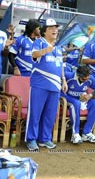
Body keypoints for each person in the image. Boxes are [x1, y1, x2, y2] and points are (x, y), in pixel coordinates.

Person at [25, 18, 68, 151]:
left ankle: (44, 139)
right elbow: (34, 55)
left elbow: (60, 65)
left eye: (56, 27)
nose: (55, 30)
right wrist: (45, 51)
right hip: (40, 84)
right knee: (35, 113)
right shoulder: (39, 42)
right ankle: (31, 139)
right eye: (51, 28)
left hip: (55, 86)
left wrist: (64, 80)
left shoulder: (59, 48)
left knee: (50, 115)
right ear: (44, 31)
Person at [62, 65, 95, 144]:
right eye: (84, 79)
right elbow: (59, 72)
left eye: (87, 78)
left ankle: (87, 133)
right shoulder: (69, 76)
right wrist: (63, 80)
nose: (86, 80)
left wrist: (90, 95)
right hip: (67, 97)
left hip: (81, 99)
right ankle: (75, 134)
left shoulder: (90, 78)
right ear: (78, 75)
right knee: (76, 104)